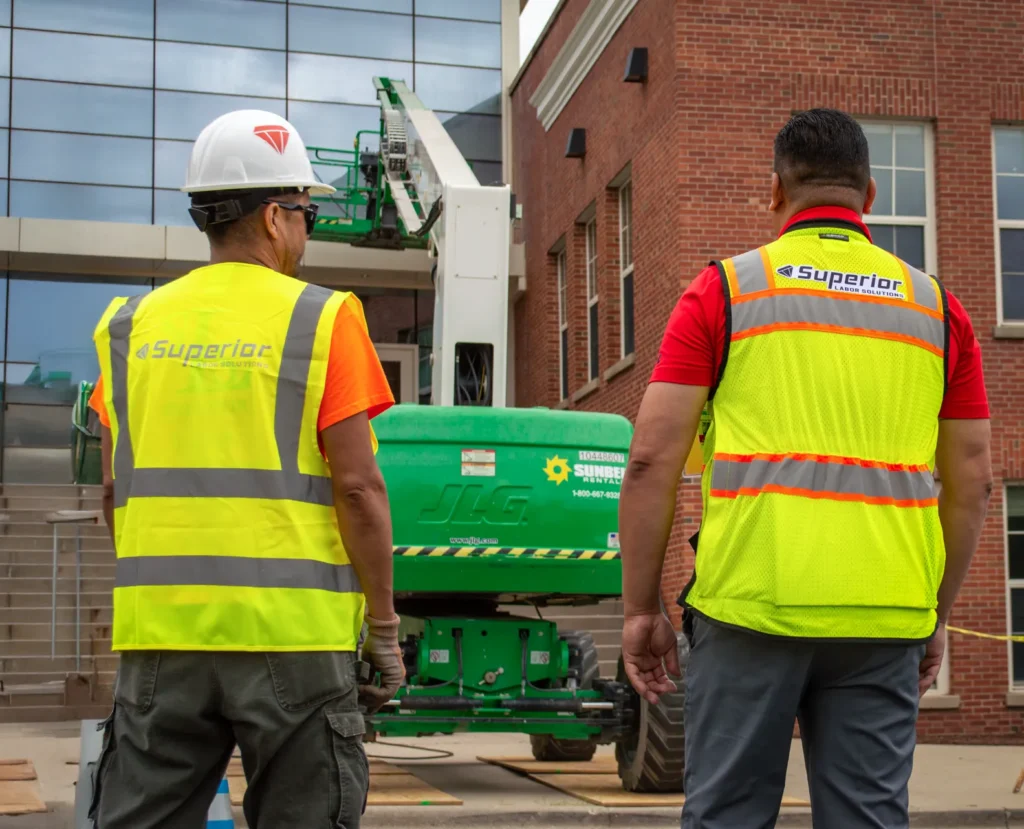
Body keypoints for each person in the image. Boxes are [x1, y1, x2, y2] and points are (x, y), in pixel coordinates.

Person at [619, 108, 992, 828]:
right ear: (871, 198)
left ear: (774, 193)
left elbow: (649, 460)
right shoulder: (939, 311)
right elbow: (972, 478)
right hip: (884, 613)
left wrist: (640, 609)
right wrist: (935, 614)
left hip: (750, 606)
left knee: (726, 814)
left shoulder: (725, 292)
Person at [86, 110, 405, 829]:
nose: (306, 231)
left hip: (162, 641)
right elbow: (357, 488)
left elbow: (114, 491)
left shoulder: (126, 328)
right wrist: (382, 626)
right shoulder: (323, 318)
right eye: (307, 214)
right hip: (293, 638)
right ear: (272, 217)